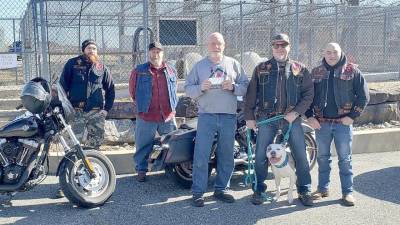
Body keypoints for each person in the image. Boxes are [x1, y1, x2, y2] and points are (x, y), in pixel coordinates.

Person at [244, 33, 314, 206]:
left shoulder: (300, 69)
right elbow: (251, 95)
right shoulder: (261, 68)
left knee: (300, 154)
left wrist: (296, 113)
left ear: (289, 47)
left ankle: (304, 189)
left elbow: (308, 94)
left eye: (283, 45)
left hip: (291, 119)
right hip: (267, 119)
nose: (280, 49)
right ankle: (259, 189)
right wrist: (249, 117)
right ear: (272, 48)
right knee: (260, 155)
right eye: (276, 46)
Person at [185, 32, 249, 207]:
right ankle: (198, 192)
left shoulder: (233, 64)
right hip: (207, 116)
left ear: (224, 45)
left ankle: (222, 189)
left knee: (226, 154)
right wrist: (200, 88)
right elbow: (188, 88)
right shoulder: (199, 66)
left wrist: (234, 87)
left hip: (229, 116)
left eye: (219, 43)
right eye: (213, 43)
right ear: (207, 45)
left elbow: (246, 86)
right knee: (201, 154)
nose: (216, 46)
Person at [306, 43, 369, 206]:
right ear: (324, 53)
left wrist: (353, 116)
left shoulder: (353, 71)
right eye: (328, 52)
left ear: (341, 52)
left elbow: (363, 96)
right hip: (322, 124)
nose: (332, 55)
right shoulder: (316, 72)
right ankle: (322, 189)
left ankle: (347, 193)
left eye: (335, 52)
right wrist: (309, 117)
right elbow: (307, 96)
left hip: (343, 123)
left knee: (345, 159)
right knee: (322, 158)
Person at [57, 39, 115, 197]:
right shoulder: (72, 64)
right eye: (89, 48)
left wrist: (106, 110)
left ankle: (90, 182)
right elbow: (62, 87)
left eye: (95, 49)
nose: (92, 51)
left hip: (96, 114)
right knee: (71, 149)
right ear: (84, 50)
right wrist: (65, 108)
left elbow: (110, 89)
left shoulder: (101, 67)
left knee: (94, 147)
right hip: (76, 113)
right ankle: (66, 185)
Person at [128, 42, 178, 182]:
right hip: (146, 115)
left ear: (162, 53)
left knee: (172, 144)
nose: (155, 54)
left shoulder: (171, 70)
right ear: (149, 53)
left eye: (158, 51)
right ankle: (141, 170)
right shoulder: (139, 70)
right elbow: (132, 91)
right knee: (143, 145)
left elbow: (175, 88)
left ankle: (171, 169)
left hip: (167, 116)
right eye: (153, 52)